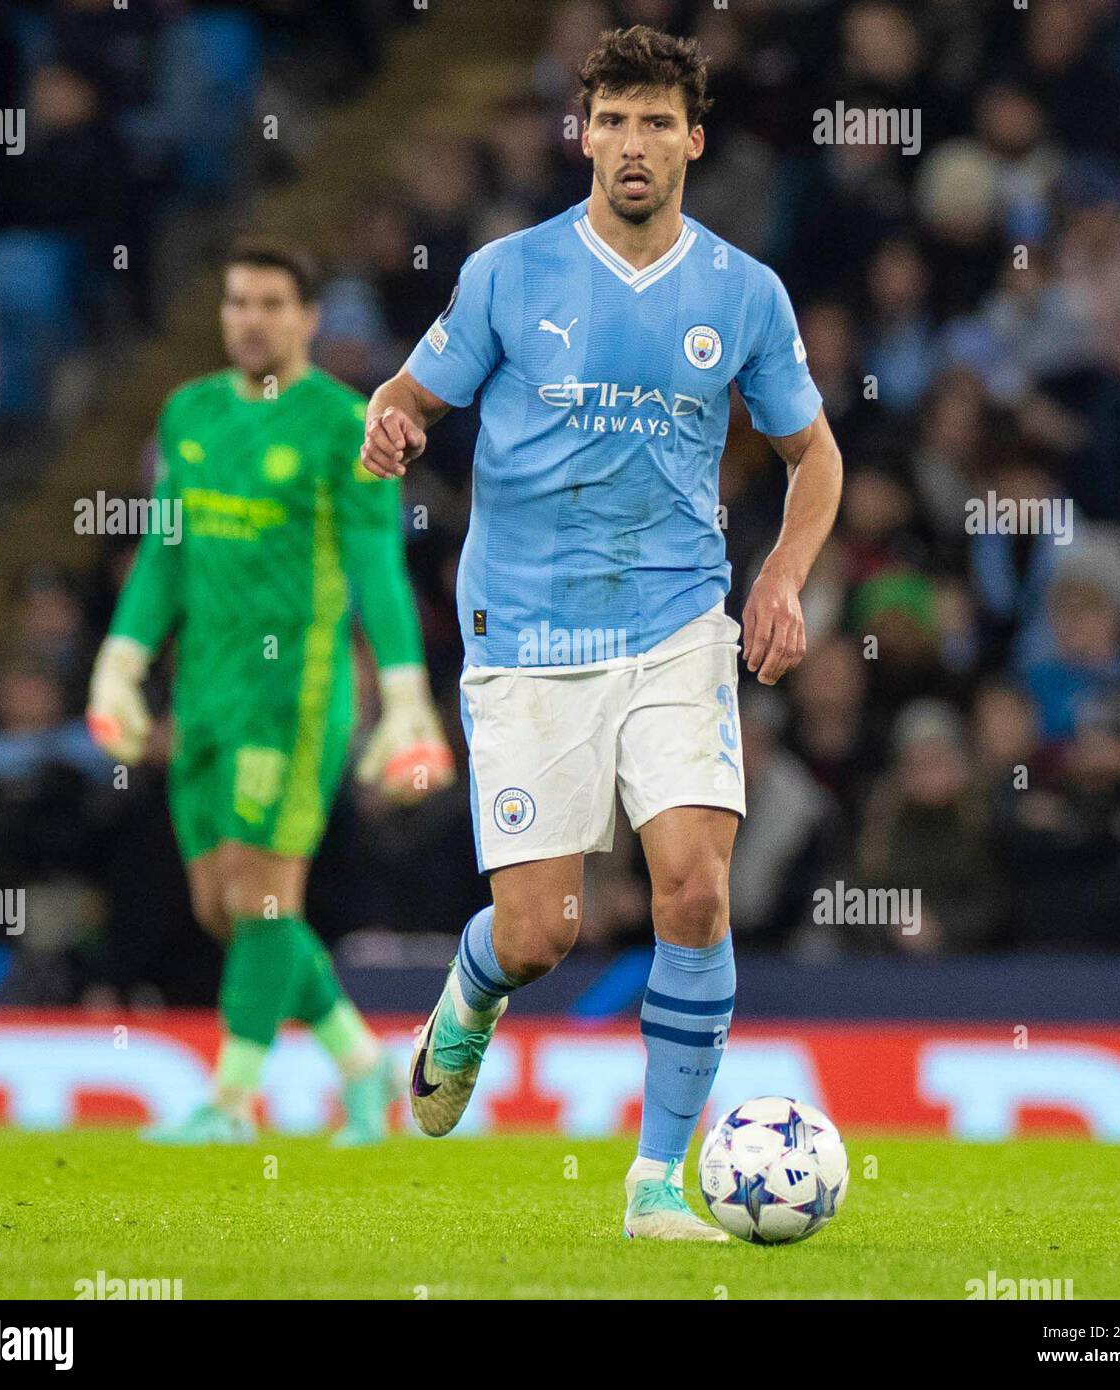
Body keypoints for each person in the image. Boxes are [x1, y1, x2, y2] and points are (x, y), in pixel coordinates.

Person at [361, 27, 841, 1238]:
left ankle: (651, 1186)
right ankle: (471, 992)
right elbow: (412, 393)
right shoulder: (508, 274)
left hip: (678, 618)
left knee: (691, 889)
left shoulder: (742, 292)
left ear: (693, 140)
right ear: (584, 134)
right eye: (611, 119)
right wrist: (393, 422)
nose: (631, 143)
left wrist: (780, 575)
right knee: (541, 933)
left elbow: (813, 454)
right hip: (525, 633)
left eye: (654, 122)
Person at [86, 238, 453, 1145]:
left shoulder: (343, 423)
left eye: (270, 304)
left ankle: (229, 1102)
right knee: (221, 908)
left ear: (308, 318)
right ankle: (366, 1069)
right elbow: (166, 555)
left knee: (260, 899)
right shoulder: (188, 416)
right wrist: (122, 662)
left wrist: (406, 697)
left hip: (293, 698)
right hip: (201, 697)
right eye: (237, 302)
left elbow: (377, 565)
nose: (250, 319)